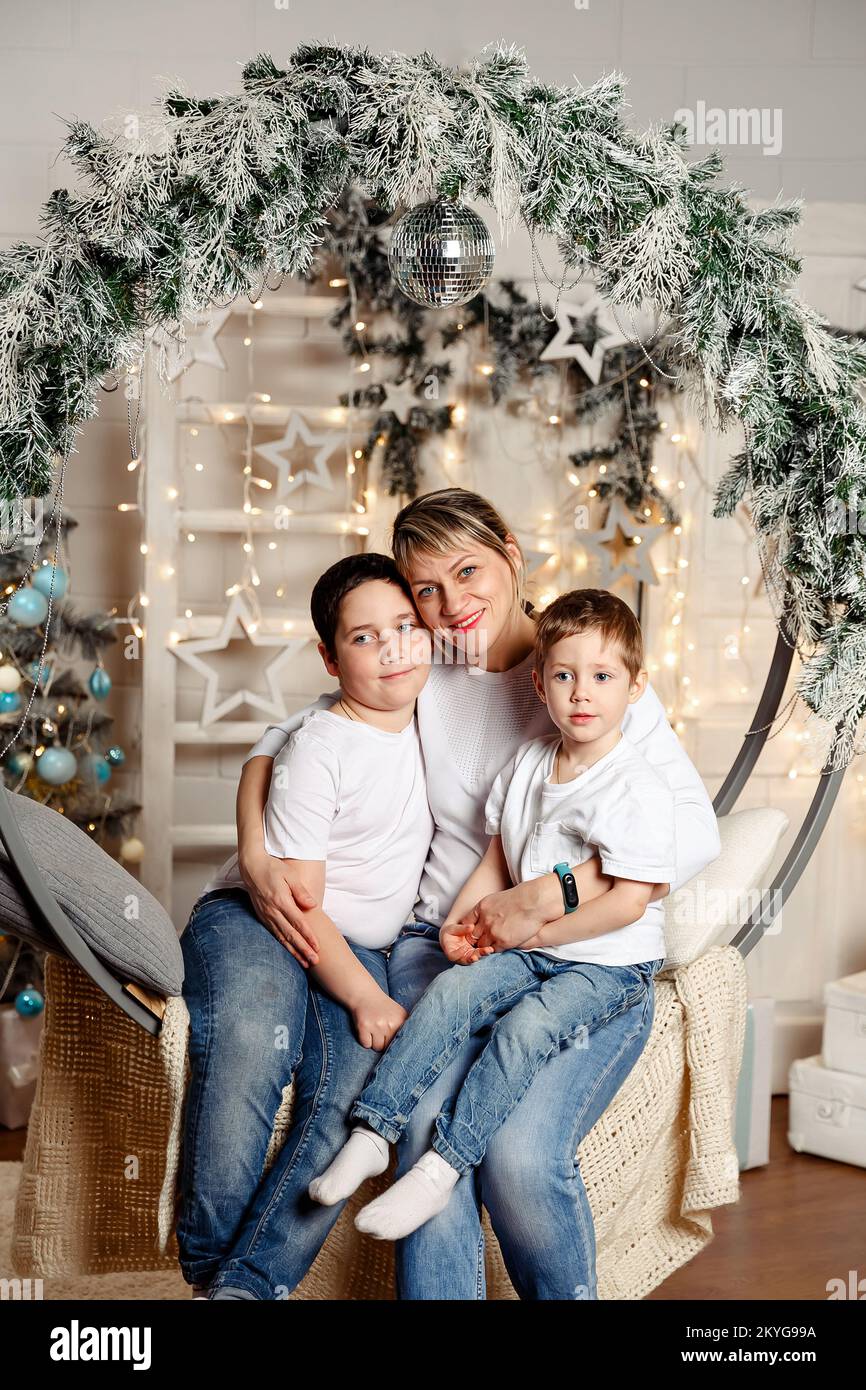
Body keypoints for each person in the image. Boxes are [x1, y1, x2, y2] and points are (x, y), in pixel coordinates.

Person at [225, 487, 721, 1299]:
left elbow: (692, 834)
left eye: (468, 571)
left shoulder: (586, 667)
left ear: (511, 552)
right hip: (444, 939)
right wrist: (254, 845)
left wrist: (548, 893)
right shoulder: (433, 664)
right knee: (422, 1125)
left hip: (576, 955)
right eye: (426, 588)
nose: (452, 605)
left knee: (521, 1156)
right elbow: (296, 734)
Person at [308, 589, 674, 1239]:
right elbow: (499, 852)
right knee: (449, 995)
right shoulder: (531, 763)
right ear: (538, 683)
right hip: (531, 947)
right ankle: (373, 1131)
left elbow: (628, 900)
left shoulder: (637, 786)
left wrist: (539, 929)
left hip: (605, 965)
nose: (581, 694)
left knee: (525, 1030)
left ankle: (441, 1168)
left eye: (602, 677)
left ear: (636, 686)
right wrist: (460, 921)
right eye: (564, 676)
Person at [176, 552, 435, 1300]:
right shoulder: (327, 742)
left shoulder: (433, 711)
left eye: (405, 627)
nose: (391, 648)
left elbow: (261, 745)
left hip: (352, 943)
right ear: (329, 656)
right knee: (253, 1038)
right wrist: (362, 996)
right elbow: (294, 903)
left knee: (354, 1088)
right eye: (363, 638)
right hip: (259, 918)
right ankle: (210, 1264)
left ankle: (250, 1283)